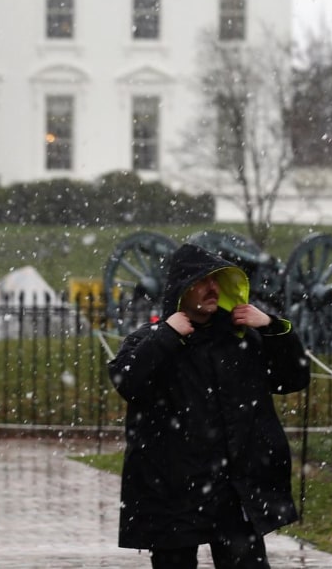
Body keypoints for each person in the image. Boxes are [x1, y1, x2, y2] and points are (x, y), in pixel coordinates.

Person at [108, 243, 310, 569]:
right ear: (181, 290)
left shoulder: (243, 338)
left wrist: (273, 328)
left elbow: (294, 378)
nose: (212, 287)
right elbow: (128, 382)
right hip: (173, 492)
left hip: (233, 491)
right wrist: (167, 336)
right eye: (202, 281)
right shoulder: (152, 339)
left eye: (217, 280)